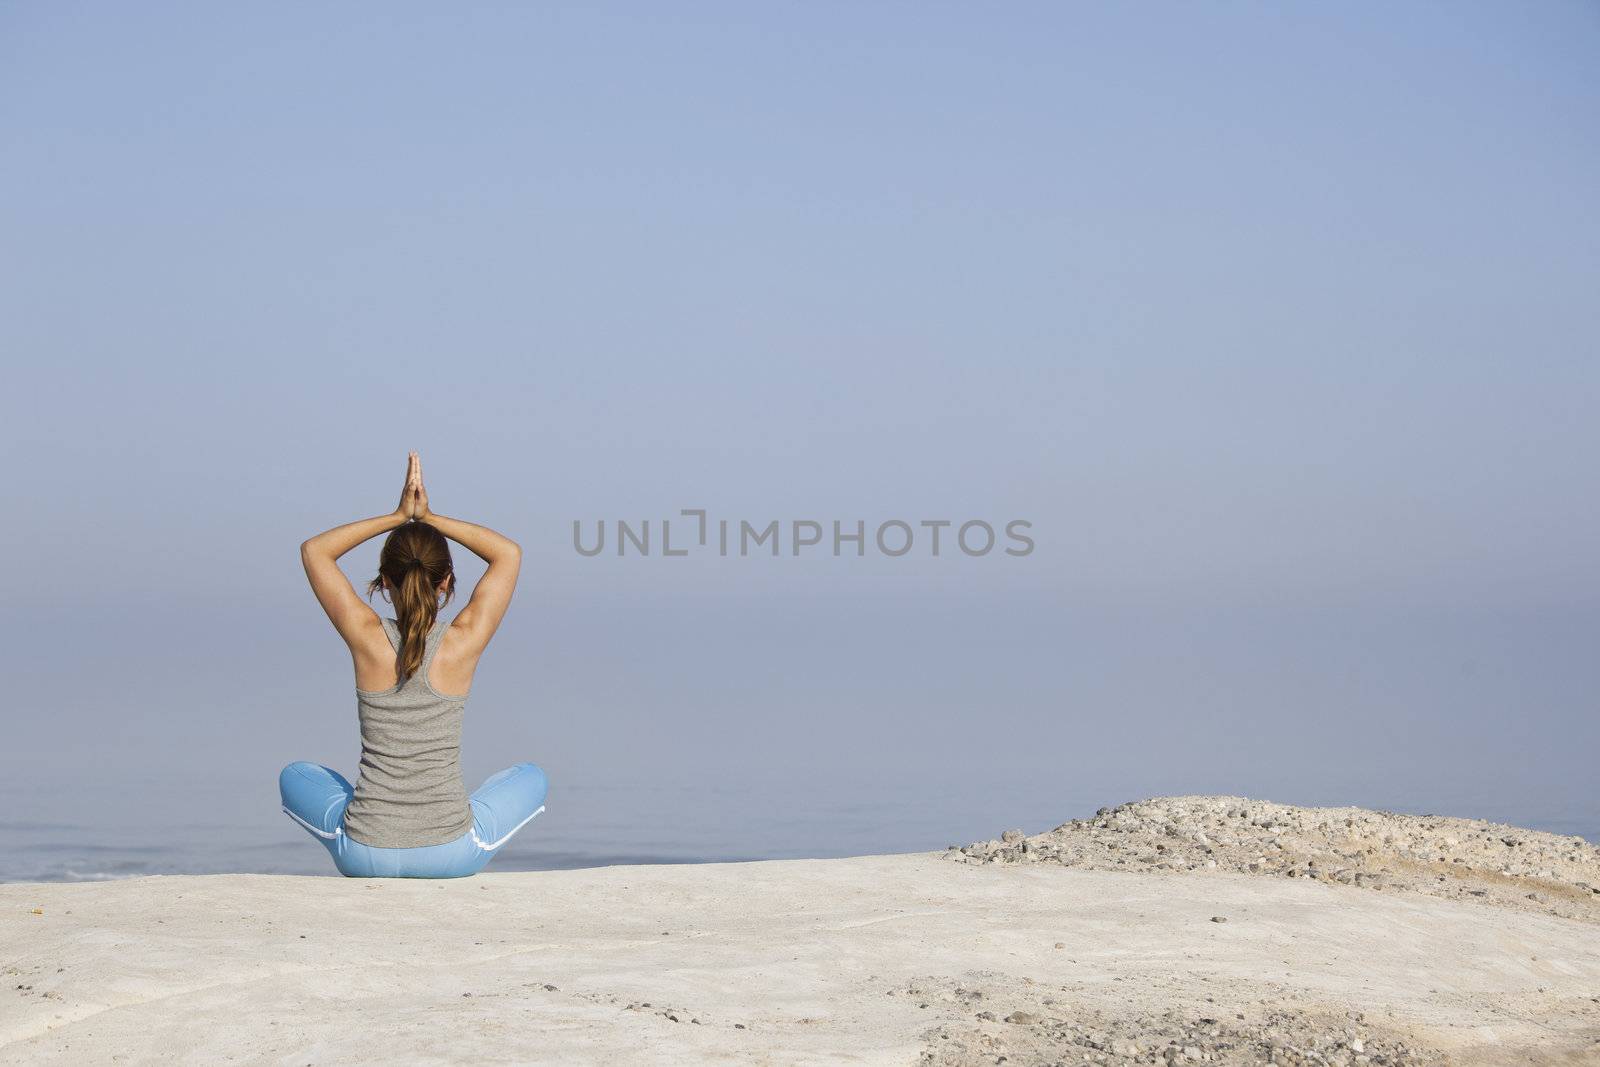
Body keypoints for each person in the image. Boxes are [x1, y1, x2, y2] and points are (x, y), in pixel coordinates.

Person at [279, 452, 547, 877]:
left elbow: (315, 551)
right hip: (450, 854)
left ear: (384, 579)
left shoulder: (366, 636)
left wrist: (397, 516)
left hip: (364, 852)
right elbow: (508, 555)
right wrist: (430, 517)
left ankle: (370, 835)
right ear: (446, 581)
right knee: (531, 777)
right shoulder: (462, 642)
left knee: (295, 775)